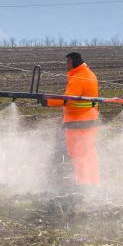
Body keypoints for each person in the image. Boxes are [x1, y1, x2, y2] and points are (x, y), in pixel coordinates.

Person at [44, 52, 100, 187]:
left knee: (78, 154)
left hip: (78, 122)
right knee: (88, 153)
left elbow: (69, 99)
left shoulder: (79, 78)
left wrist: (48, 102)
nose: (66, 65)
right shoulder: (87, 74)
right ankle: (92, 182)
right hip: (89, 120)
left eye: (68, 62)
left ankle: (83, 183)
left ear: (75, 62)